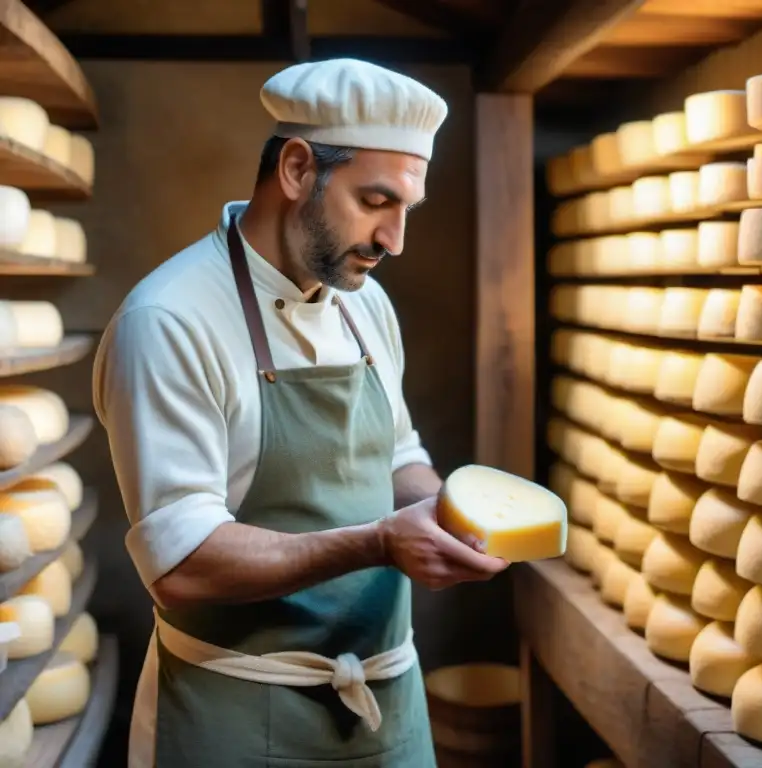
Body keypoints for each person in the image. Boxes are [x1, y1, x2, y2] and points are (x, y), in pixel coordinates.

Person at [93, 58, 509, 767]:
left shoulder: (363, 304)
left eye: (407, 210)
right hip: (241, 716)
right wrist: (380, 541)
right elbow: (183, 564)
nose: (394, 239)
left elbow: (397, 452)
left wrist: (450, 511)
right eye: (376, 201)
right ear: (295, 169)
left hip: (388, 709)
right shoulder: (170, 321)